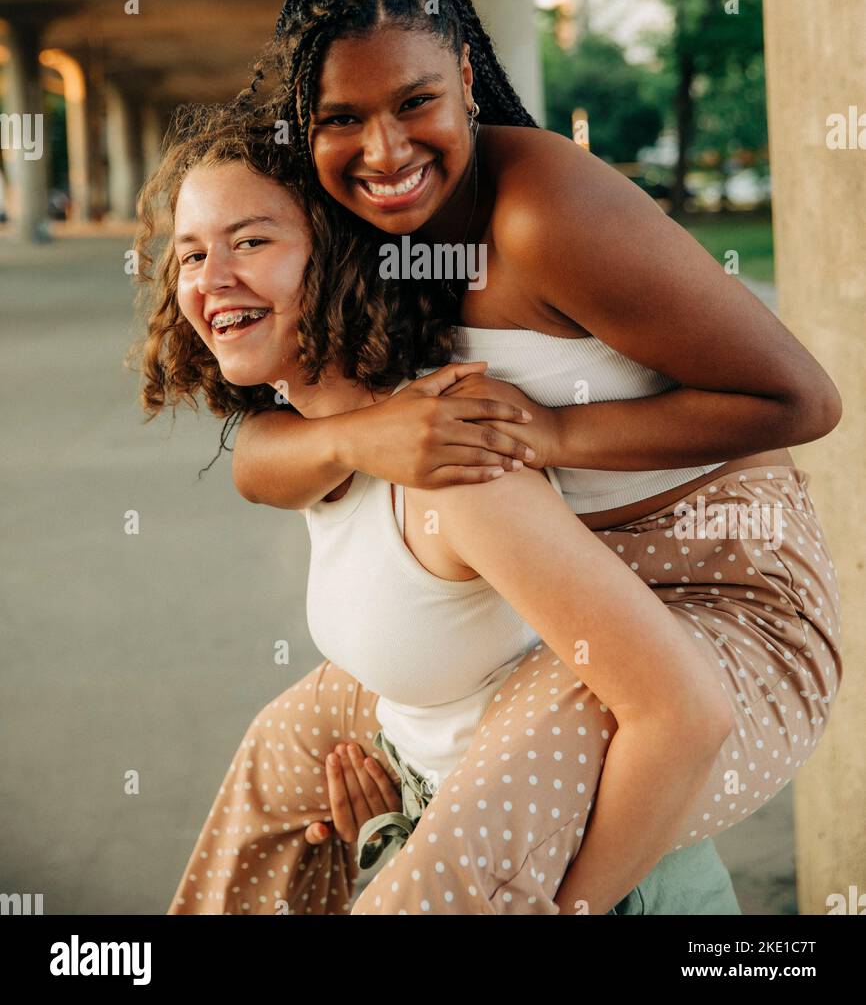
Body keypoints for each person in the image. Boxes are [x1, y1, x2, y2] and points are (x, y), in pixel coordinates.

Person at [135, 96, 842, 915]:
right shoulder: (323, 436)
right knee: (268, 771)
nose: (211, 279)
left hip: (624, 883)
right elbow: (256, 468)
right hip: (500, 807)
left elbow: (683, 711)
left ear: (333, 255)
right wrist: (409, 806)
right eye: (189, 256)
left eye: (251, 241)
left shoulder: (458, 452)